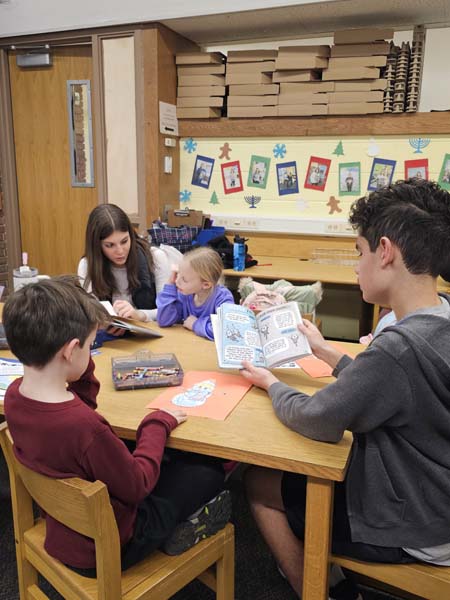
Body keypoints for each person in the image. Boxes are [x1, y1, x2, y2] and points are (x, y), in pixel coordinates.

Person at [239, 179, 450, 600]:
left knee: (260, 482)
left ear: (386, 251)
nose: (356, 265)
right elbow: (392, 390)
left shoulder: (397, 348)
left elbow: (318, 418)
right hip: (436, 499)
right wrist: (328, 353)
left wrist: (271, 382)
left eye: (359, 251)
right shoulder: (439, 319)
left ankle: (315, 588)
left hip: (414, 522)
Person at [3, 277, 230, 573]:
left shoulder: (15, 395)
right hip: (109, 546)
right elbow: (137, 485)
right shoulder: (86, 428)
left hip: (63, 527)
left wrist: (78, 366)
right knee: (207, 470)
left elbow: (83, 404)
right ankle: (176, 533)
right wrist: (157, 421)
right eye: (89, 344)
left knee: (155, 455)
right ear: (70, 350)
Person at [78, 204, 171, 322]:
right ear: (97, 246)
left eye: (124, 241)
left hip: (151, 332)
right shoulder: (87, 265)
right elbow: (92, 313)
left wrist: (139, 315)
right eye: (109, 245)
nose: (120, 251)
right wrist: (106, 324)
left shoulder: (155, 257)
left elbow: (167, 311)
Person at [157, 246, 234, 341]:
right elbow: (164, 320)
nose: (177, 281)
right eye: (178, 274)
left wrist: (195, 324)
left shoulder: (223, 297)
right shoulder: (185, 293)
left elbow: (228, 331)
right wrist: (170, 285)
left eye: (184, 279)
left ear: (205, 284)